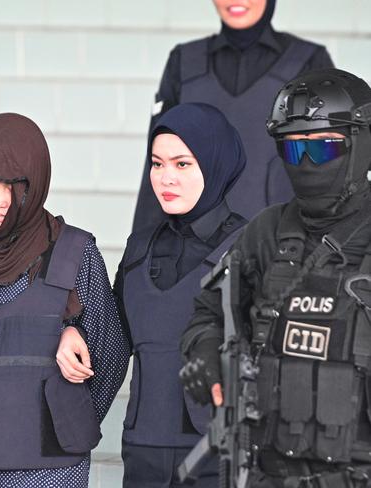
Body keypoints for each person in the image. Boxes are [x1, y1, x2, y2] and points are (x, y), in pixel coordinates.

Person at [0, 113, 131, 487]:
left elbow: (109, 357)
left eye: (15, 186)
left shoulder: (75, 254)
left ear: (37, 183)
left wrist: (66, 424)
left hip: (50, 473)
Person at [180, 68, 371, 487]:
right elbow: (208, 313)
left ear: (361, 145)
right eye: (292, 151)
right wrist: (206, 351)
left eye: (321, 151)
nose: (305, 165)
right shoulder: (265, 233)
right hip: (266, 473)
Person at [114, 103, 247, 487]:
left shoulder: (252, 246)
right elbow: (108, 339)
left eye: (182, 164)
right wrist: (71, 326)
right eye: (157, 164)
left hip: (219, 454)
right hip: (143, 451)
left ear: (215, 163)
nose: (165, 178)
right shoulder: (138, 250)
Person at [132, 0, 334, 231]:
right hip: (194, 252)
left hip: (281, 245)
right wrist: (140, 251)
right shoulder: (184, 62)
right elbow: (158, 163)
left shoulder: (307, 61)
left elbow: (330, 168)